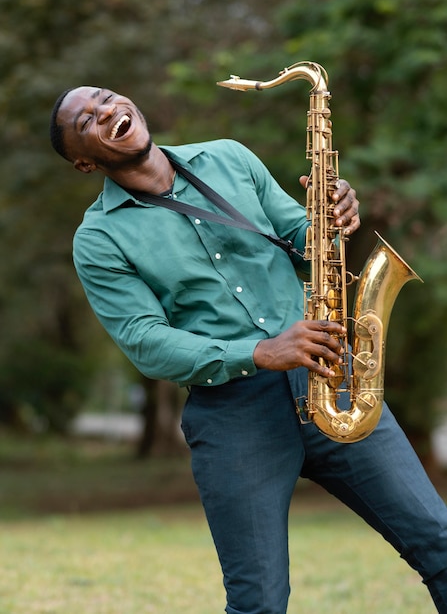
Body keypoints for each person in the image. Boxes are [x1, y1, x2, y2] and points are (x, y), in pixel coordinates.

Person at [50, 85, 447, 613]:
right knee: (258, 602)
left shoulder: (230, 157)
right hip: (234, 414)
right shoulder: (98, 239)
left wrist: (331, 221)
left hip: (331, 381)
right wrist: (261, 352)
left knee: (439, 543)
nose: (105, 111)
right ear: (84, 163)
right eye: (87, 121)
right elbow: (146, 342)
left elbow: (302, 243)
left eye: (105, 98)